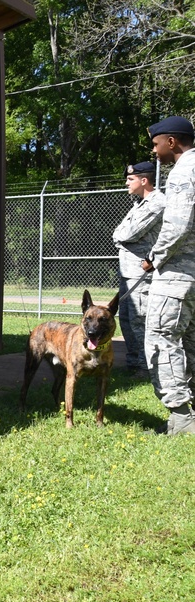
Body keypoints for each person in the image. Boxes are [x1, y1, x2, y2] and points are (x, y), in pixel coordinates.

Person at [142, 116, 195, 435]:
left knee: (161, 338)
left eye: (155, 142)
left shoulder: (183, 171)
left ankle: (180, 419)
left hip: (177, 274)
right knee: (189, 341)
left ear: (171, 142)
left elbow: (178, 224)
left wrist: (154, 256)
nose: (154, 148)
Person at [112, 161, 164, 374]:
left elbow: (126, 234)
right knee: (126, 317)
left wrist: (120, 237)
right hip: (129, 272)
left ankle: (143, 366)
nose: (126, 182)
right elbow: (118, 233)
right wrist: (120, 236)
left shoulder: (157, 203)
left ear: (144, 180)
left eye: (130, 179)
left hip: (141, 274)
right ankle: (135, 362)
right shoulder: (140, 203)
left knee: (138, 319)